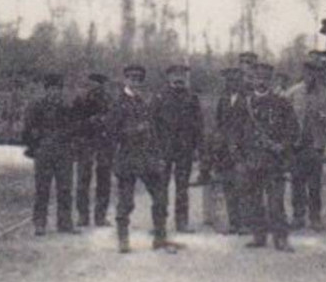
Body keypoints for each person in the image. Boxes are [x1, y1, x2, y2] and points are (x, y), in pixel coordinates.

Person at [106, 63, 175, 253]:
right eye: (132, 78)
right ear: (125, 80)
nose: (136, 81)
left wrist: (159, 154)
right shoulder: (118, 103)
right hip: (127, 157)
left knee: (160, 198)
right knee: (126, 202)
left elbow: (156, 131)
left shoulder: (147, 103)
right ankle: (123, 240)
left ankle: (160, 238)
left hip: (148, 158)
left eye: (139, 79)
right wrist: (133, 131)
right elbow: (111, 132)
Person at [235, 61, 300, 251]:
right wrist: (239, 156)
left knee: (276, 203)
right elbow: (235, 132)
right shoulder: (243, 104)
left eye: (265, 78)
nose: (261, 82)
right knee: (253, 201)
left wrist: (283, 146)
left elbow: (293, 130)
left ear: (270, 80)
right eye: (257, 78)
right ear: (252, 80)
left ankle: (281, 238)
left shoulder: (281, 103)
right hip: (251, 160)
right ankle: (259, 236)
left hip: (274, 161)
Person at [20, 73, 76, 236]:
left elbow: (75, 129)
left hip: (64, 152)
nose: (55, 92)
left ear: (61, 90)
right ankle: (40, 223)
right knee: (42, 189)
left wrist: (72, 145)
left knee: (65, 189)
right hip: (43, 152)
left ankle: (65, 223)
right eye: (51, 89)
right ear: (47, 89)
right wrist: (34, 147)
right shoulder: (36, 106)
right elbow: (27, 129)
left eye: (57, 89)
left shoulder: (68, 107)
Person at [153, 64, 203, 234]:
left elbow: (198, 125)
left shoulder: (192, 98)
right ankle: (159, 223)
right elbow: (152, 124)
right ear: (168, 77)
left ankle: (182, 222)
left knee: (182, 187)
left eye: (182, 74)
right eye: (175, 74)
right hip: (163, 149)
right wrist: (154, 148)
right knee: (161, 187)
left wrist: (197, 148)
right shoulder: (159, 97)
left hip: (185, 149)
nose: (178, 78)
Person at [287, 52, 326, 231]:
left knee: (314, 184)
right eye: (308, 72)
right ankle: (298, 216)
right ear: (304, 73)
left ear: (318, 74)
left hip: (315, 145)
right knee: (297, 181)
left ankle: (315, 217)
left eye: (315, 72)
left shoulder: (325, 94)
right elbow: (284, 116)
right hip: (297, 144)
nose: (311, 76)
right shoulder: (294, 92)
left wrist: (325, 118)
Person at [70, 72, 113, 228]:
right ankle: (83, 216)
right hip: (86, 143)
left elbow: (114, 122)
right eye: (93, 85)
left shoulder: (109, 101)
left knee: (104, 180)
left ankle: (100, 216)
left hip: (104, 144)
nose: (96, 89)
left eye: (99, 85)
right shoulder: (80, 101)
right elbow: (74, 123)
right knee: (83, 180)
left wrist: (104, 122)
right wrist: (90, 122)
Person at [212, 66, 248, 234]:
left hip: (243, 148)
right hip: (225, 150)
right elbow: (219, 123)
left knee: (243, 186)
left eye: (235, 80)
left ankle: (245, 223)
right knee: (228, 186)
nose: (232, 83)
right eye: (229, 81)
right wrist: (218, 142)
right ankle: (234, 222)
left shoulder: (248, 99)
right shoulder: (224, 99)